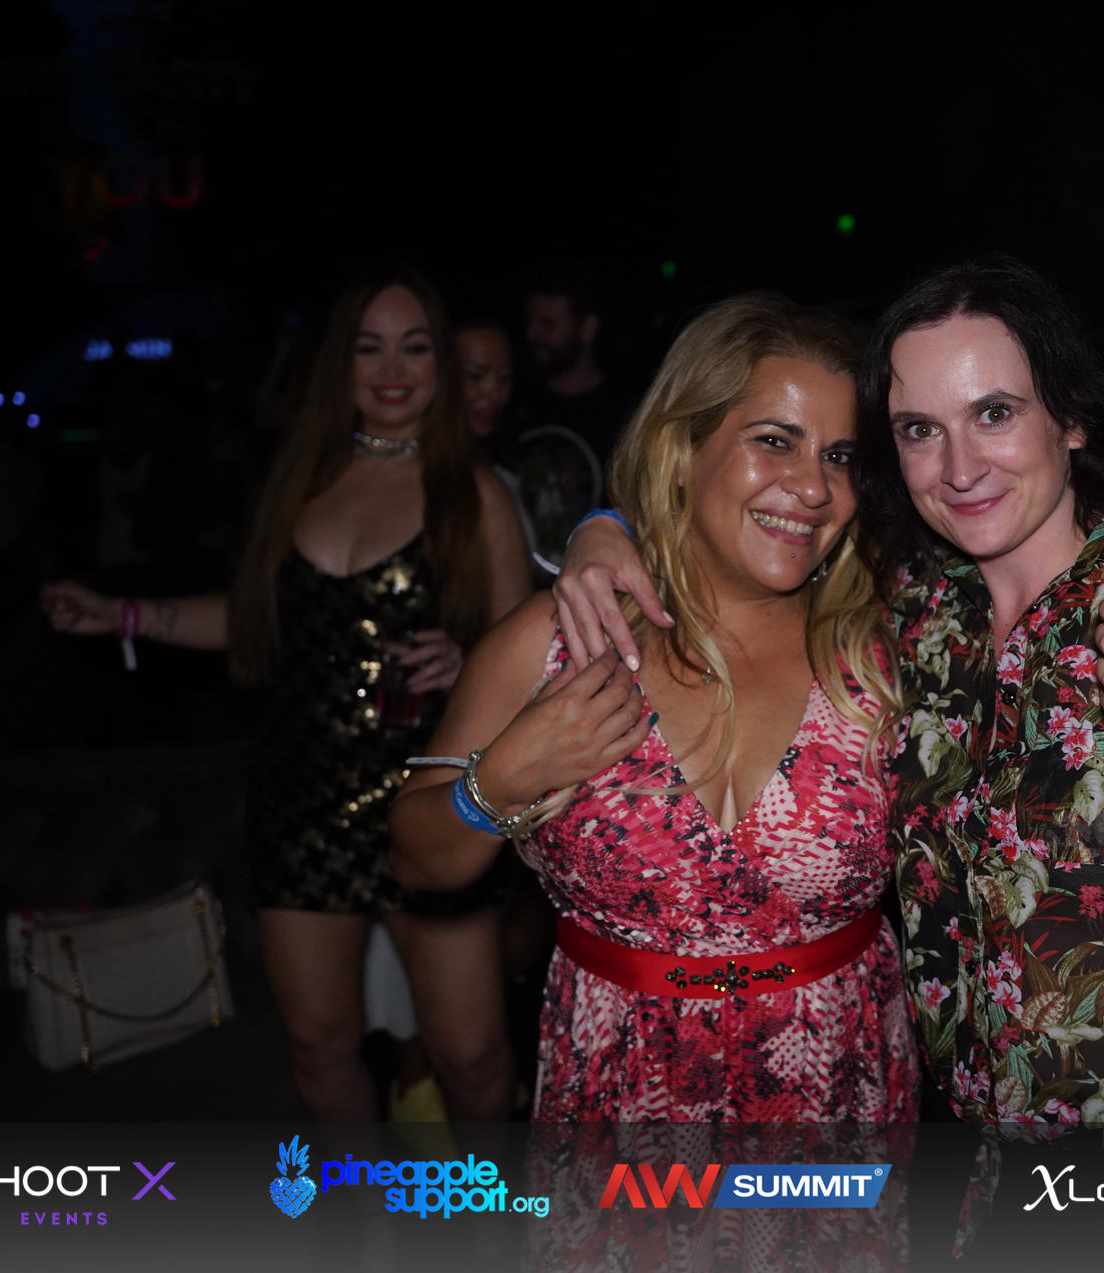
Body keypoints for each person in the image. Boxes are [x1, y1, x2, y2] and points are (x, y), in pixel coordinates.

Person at [558, 255, 1104, 1139]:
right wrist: (603, 529)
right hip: (971, 1163)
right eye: (920, 429)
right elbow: (731, 522)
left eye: (994, 413)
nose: (959, 467)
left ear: (1070, 417)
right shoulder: (907, 614)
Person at [389, 293, 921, 1122]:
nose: (814, 487)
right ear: (682, 450)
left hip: (837, 1098)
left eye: (842, 455)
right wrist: (502, 779)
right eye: (774, 440)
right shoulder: (559, 639)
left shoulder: (889, 648)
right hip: (623, 1101)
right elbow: (416, 860)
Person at [42, 264, 533, 1122]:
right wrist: (123, 614)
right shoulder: (303, 479)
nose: (391, 369)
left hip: (427, 804)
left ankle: (489, 1207)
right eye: (368, 348)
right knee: (317, 1049)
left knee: (474, 1060)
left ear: (441, 367)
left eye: (414, 348)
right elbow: (256, 620)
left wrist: (469, 663)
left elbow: (530, 653)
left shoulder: (474, 492)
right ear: (339, 363)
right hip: (301, 803)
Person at [516, 259, 641, 467]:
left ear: (587, 328)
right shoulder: (514, 399)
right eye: (530, 322)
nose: (532, 334)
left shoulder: (625, 410)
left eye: (547, 323)